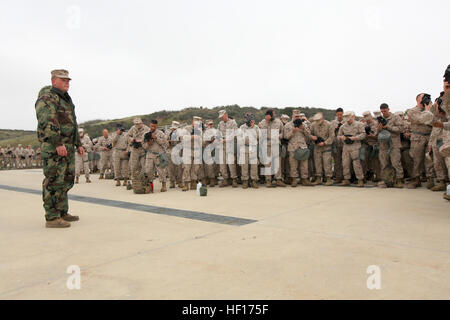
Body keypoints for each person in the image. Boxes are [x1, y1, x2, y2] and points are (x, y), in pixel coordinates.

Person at [34, 69, 84, 228]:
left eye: (68, 80)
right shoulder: (47, 98)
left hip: (67, 147)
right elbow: (47, 122)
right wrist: (57, 143)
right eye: (63, 80)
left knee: (66, 180)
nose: (67, 83)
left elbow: (72, 124)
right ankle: (52, 217)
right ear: (54, 80)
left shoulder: (65, 99)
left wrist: (78, 144)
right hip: (55, 148)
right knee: (54, 180)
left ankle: (62, 211)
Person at [406, 93, 435, 189]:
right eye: (424, 98)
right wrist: (428, 113)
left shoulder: (431, 110)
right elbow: (420, 119)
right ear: (418, 99)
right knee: (417, 159)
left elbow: (434, 122)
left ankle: (430, 178)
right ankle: (416, 179)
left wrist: (429, 112)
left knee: (429, 159)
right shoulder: (412, 111)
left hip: (429, 137)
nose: (427, 100)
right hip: (417, 138)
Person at [377, 103, 405, 188]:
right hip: (383, 145)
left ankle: (399, 180)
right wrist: (379, 128)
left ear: (388, 109)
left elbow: (400, 129)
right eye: (382, 112)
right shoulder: (380, 119)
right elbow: (376, 132)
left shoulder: (396, 117)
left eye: (385, 111)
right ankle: (386, 180)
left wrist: (388, 127)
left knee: (396, 162)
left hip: (394, 144)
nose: (383, 113)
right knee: (384, 163)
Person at [337, 111, 366, 187]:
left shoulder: (359, 124)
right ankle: (346, 179)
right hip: (346, 147)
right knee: (345, 163)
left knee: (357, 164)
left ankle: (360, 180)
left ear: (353, 117)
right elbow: (338, 136)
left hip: (355, 146)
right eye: (346, 118)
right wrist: (341, 137)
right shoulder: (343, 126)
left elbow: (363, 134)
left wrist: (355, 138)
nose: (348, 120)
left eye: (349, 118)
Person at [258, 109, 285, 187]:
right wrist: (267, 122)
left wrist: (279, 136)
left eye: (274, 114)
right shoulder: (262, 123)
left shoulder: (279, 122)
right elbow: (259, 134)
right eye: (273, 114)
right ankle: (268, 180)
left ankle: (278, 180)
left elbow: (282, 132)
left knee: (277, 163)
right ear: (268, 115)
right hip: (266, 145)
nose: (274, 115)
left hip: (276, 144)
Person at [143, 119, 169, 192]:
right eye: (151, 126)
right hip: (150, 155)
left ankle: (164, 186)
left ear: (157, 126)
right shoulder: (146, 134)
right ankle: (150, 187)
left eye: (154, 126)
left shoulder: (161, 133)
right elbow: (143, 146)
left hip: (159, 155)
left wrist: (156, 138)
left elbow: (166, 143)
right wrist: (148, 144)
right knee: (148, 171)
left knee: (161, 171)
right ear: (149, 125)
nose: (153, 128)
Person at [309, 112, 335, 186]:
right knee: (317, 163)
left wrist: (325, 143)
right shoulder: (313, 125)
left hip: (326, 147)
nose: (317, 122)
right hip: (317, 147)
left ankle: (328, 178)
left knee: (327, 163)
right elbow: (310, 134)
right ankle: (318, 178)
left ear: (322, 118)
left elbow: (332, 136)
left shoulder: (329, 125)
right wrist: (312, 138)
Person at [237, 113, 260, 189]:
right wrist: (245, 141)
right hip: (244, 148)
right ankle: (245, 181)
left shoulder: (256, 127)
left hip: (253, 148)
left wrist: (253, 128)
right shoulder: (242, 127)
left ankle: (254, 180)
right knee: (244, 165)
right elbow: (239, 138)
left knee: (254, 165)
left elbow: (260, 136)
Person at [217, 110, 238, 187]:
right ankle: (225, 179)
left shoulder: (233, 123)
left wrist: (227, 139)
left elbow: (235, 133)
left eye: (222, 116)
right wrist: (219, 139)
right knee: (222, 164)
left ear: (226, 115)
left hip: (230, 144)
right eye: (220, 117)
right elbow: (218, 133)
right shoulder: (220, 123)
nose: (221, 118)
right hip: (222, 145)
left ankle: (234, 179)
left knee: (231, 163)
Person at [128, 118, 150, 182]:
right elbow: (128, 135)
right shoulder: (133, 128)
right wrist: (131, 139)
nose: (137, 126)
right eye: (136, 124)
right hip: (135, 149)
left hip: (143, 149)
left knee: (144, 166)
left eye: (138, 124)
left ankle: (143, 180)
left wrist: (142, 141)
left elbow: (149, 138)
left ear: (141, 123)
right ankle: (134, 180)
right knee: (134, 165)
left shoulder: (147, 129)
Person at [202, 119, 219, 187]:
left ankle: (213, 179)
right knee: (206, 165)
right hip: (206, 149)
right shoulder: (204, 131)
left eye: (211, 124)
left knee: (214, 165)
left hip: (214, 149)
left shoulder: (215, 131)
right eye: (209, 124)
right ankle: (208, 178)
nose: (210, 125)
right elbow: (203, 141)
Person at [166, 121, 183, 188]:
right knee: (170, 168)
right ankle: (172, 182)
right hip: (169, 150)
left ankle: (179, 181)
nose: (174, 129)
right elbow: (165, 141)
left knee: (179, 168)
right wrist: (169, 141)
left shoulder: (180, 132)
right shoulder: (168, 132)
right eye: (173, 128)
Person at [331, 108, 345, 183]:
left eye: (341, 114)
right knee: (337, 161)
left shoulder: (346, 122)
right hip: (336, 143)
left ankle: (346, 177)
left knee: (345, 161)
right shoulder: (333, 122)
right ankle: (338, 177)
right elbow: (330, 133)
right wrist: (335, 129)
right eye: (338, 114)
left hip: (344, 144)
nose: (339, 116)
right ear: (336, 114)